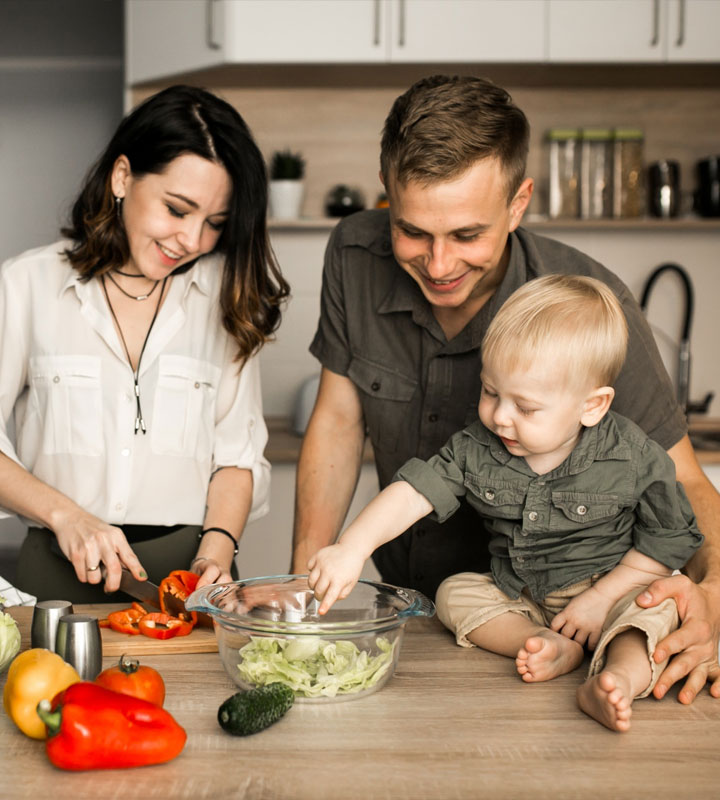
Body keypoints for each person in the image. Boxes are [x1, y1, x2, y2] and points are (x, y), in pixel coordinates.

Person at [291, 74, 720, 705]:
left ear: (518, 204)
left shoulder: (587, 307)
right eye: (412, 232)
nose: (438, 266)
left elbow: (683, 484)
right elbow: (336, 419)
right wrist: (313, 582)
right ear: (388, 196)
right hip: (439, 611)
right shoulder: (353, 253)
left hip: (577, 607)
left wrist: (712, 598)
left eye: (467, 235)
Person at [307, 275, 704, 731]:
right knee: (453, 593)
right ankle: (543, 643)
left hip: (614, 591)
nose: (499, 416)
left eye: (526, 407)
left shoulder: (633, 456)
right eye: (491, 391)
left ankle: (617, 678)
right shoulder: (478, 446)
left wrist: (601, 600)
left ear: (591, 406)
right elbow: (414, 492)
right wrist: (352, 547)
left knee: (656, 612)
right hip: (524, 595)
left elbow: (667, 542)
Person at [0, 85, 290, 603]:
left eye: (215, 224)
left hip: (185, 583)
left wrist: (216, 554)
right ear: (122, 177)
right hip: (56, 572)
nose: (194, 241)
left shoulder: (227, 296)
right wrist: (67, 516)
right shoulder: (26, 286)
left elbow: (236, 457)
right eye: (178, 210)